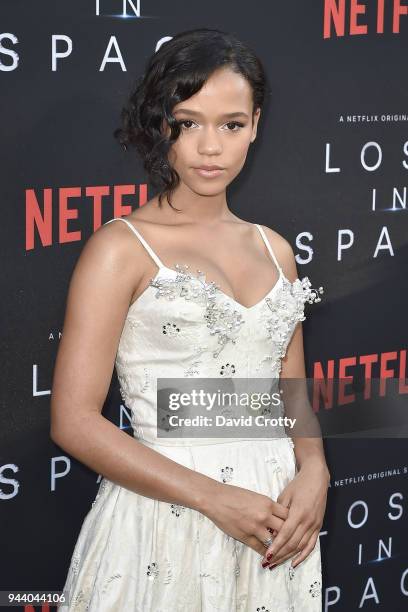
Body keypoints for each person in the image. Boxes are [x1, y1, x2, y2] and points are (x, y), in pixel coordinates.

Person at [51, 27, 329, 612]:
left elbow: (289, 394)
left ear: (255, 126)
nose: (211, 147)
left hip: (275, 520)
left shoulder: (276, 249)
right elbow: (74, 421)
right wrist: (213, 499)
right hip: (165, 516)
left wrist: (315, 469)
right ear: (161, 126)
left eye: (231, 124)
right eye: (188, 122)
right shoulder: (121, 249)